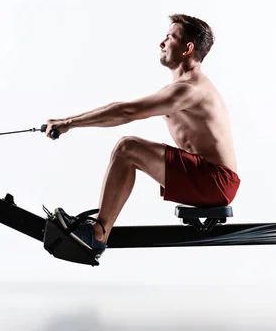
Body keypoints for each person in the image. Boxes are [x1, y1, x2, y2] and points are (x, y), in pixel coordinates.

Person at [44, 14, 241, 257]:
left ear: (187, 48)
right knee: (128, 149)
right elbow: (125, 107)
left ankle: (97, 234)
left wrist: (68, 123)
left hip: (215, 180)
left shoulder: (190, 90)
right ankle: (98, 229)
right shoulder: (181, 88)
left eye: (170, 37)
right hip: (208, 176)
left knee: (128, 148)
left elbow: (127, 111)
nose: (162, 42)